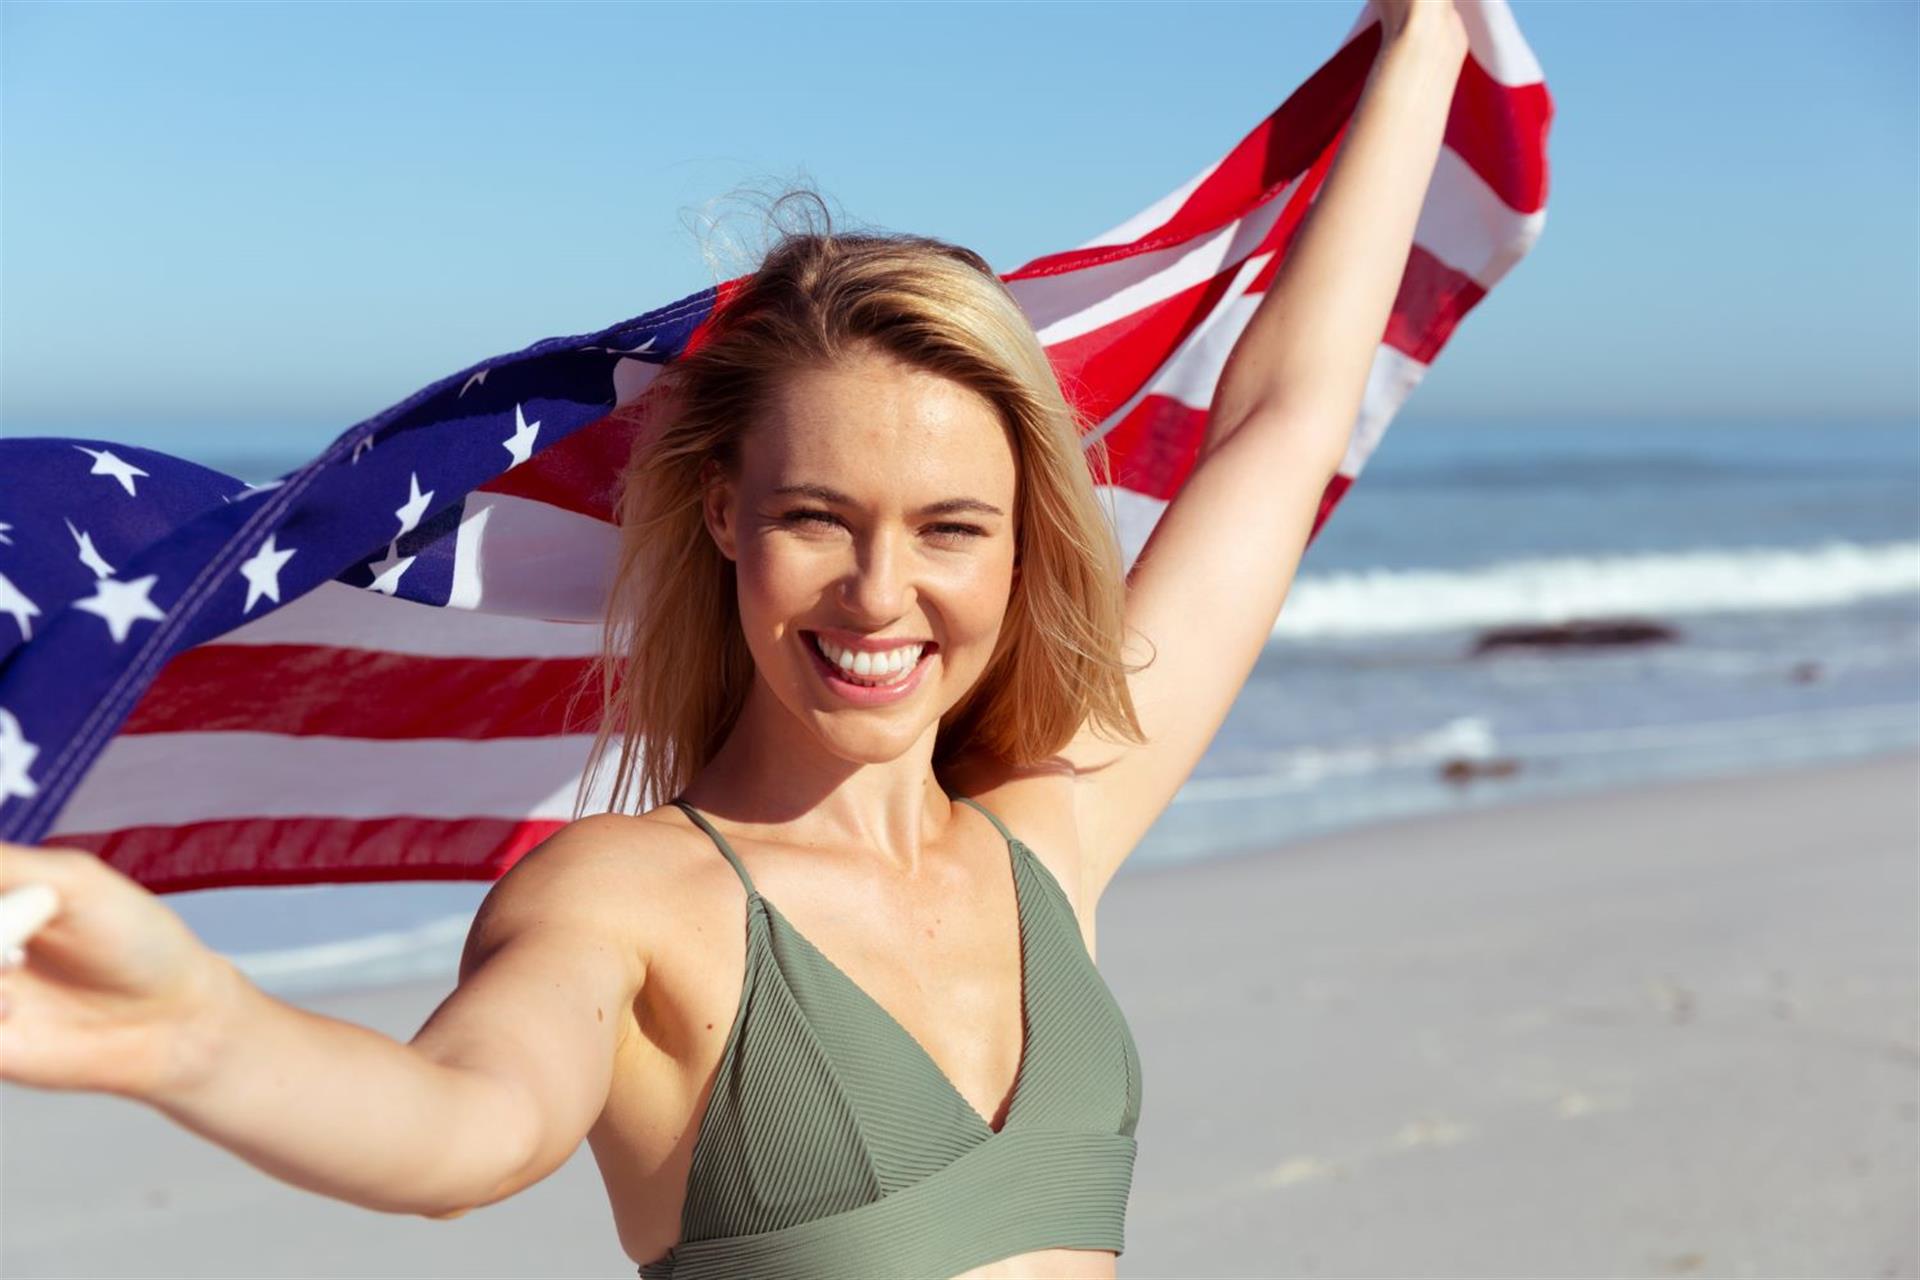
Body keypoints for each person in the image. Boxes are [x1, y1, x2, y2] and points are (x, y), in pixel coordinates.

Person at [0, 4, 1468, 1276]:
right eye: (819, 518)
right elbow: (466, 1124)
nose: (879, 595)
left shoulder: (1050, 834)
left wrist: (1430, 39)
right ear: (723, 518)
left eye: (950, 527)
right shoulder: (629, 898)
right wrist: (192, 1032)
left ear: (1026, 537)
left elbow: (1277, 434)